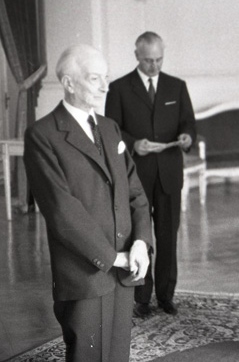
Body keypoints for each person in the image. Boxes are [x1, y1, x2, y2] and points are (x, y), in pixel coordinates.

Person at [23, 44, 152, 362]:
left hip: (125, 268)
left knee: (117, 355)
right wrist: (112, 258)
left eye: (106, 77)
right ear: (69, 83)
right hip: (85, 274)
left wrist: (141, 242)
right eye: (95, 78)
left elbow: (135, 192)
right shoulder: (43, 135)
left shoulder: (109, 128)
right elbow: (62, 211)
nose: (105, 87)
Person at [105, 31, 196, 317]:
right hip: (137, 175)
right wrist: (134, 144)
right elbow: (111, 130)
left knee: (168, 237)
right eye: (148, 60)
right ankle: (141, 298)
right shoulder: (119, 88)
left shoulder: (176, 86)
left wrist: (187, 137)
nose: (154, 65)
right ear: (137, 56)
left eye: (158, 60)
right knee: (140, 237)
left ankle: (166, 296)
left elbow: (189, 123)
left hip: (169, 173)